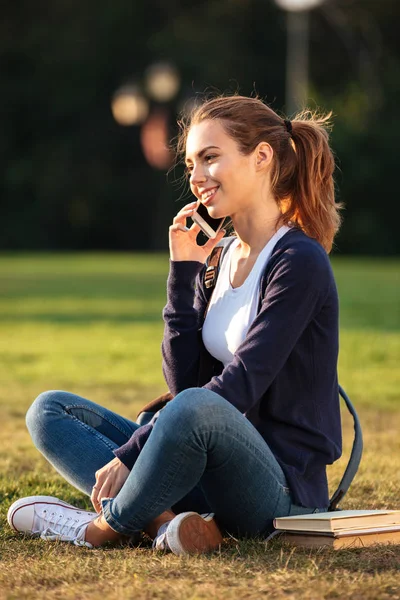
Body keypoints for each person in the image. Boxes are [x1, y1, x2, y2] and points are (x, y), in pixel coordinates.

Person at [7, 95, 343, 554]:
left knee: (192, 409)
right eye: (190, 165)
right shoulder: (218, 258)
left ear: (261, 157)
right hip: (207, 469)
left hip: (279, 492)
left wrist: (133, 451)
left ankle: (101, 529)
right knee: (49, 412)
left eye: (210, 157)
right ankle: (168, 526)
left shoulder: (297, 260)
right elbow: (186, 382)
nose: (197, 177)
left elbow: (236, 387)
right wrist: (184, 272)